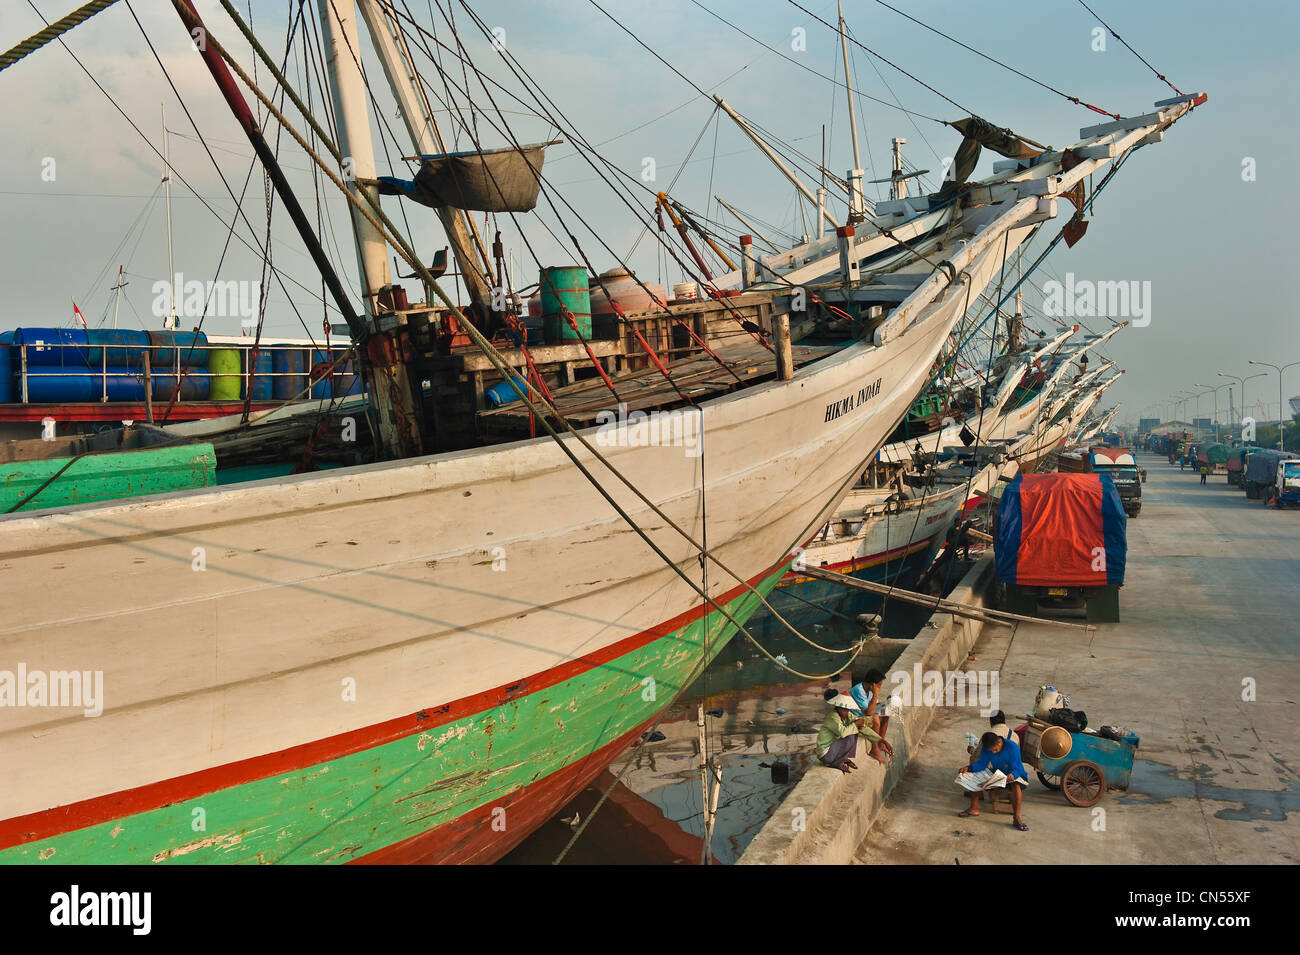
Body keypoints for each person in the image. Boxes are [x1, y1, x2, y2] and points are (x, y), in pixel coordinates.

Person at [958, 731, 1030, 830]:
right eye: (991, 751)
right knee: (973, 775)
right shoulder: (987, 748)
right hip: (998, 773)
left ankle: (1016, 818)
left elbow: (1017, 767)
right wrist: (968, 768)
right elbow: (982, 764)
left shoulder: (1012, 747)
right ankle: (974, 808)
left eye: (995, 750)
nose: (993, 752)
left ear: (999, 743)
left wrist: (1013, 775)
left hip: (1015, 774)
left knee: (1016, 785)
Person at [816, 693, 893, 772]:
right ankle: (836, 762)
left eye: (847, 709)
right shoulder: (833, 717)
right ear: (838, 707)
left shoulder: (847, 715)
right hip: (826, 754)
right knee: (852, 732)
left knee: (855, 729)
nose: (845, 711)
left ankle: (842, 758)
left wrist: (882, 740)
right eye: (843, 709)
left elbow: (863, 728)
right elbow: (843, 732)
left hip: (832, 751)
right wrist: (855, 724)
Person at [848, 668, 892, 764]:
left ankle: (880, 742)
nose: (880, 687)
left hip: (863, 716)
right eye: (879, 685)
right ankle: (874, 750)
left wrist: (886, 703)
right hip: (854, 720)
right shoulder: (859, 691)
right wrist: (876, 693)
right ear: (873, 684)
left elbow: (873, 706)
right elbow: (869, 712)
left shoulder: (870, 690)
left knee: (886, 713)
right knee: (875, 720)